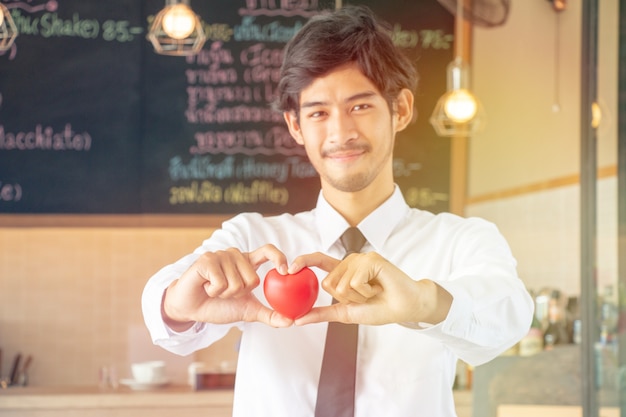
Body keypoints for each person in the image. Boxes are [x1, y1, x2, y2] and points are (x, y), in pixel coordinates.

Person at [142, 5, 534, 417]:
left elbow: (508, 315)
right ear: (295, 126)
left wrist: (421, 301)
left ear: (400, 109)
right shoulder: (252, 241)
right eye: (318, 113)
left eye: (360, 106)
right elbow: (163, 308)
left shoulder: (459, 240)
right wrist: (176, 305)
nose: (341, 132)